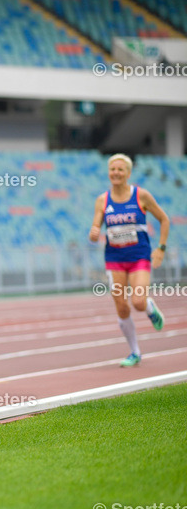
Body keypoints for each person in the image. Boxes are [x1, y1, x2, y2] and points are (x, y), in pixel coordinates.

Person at [89, 153, 168, 367]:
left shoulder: (141, 196)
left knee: (138, 302)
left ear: (128, 173)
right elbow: (96, 226)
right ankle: (135, 352)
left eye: (120, 169)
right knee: (121, 307)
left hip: (139, 256)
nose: (115, 173)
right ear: (109, 173)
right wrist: (94, 232)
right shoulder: (102, 200)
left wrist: (160, 248)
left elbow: (164, 219)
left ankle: (150, 308)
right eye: (112, 169)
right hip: (114, 258)